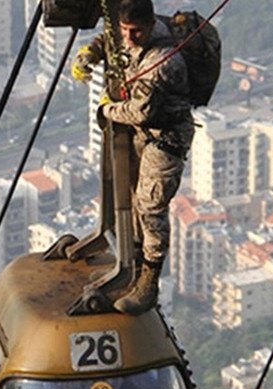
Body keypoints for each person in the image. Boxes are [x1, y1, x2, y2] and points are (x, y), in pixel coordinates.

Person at [72, 0, 194, 315]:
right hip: (144, 136)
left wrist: (105, 109)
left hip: (165, 139)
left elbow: (141, 111)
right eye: (126, 31)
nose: (130, 38)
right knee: (132, 200)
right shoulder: (131, 33)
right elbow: (112, 42)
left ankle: (148, 284)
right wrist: (91, 54)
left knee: (150, 209)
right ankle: (133, 267)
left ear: (152, 25)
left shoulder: (164, 60)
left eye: (136, 32)